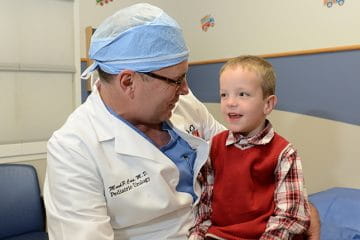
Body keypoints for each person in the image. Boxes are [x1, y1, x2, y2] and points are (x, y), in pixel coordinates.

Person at [44, 3, 320, 240]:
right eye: (176, 80)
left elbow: (241, 153)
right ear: (128, 82)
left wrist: (298, 203)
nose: (186, 89)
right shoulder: (73, 147)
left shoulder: (182, 104)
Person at [189, 56, 310, 240]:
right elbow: (204, 208)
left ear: (267, 104)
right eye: (224, 94)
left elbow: (290, 216)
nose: (230, 102)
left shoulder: (284, 153)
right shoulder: (213, 147)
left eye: (242, 94)